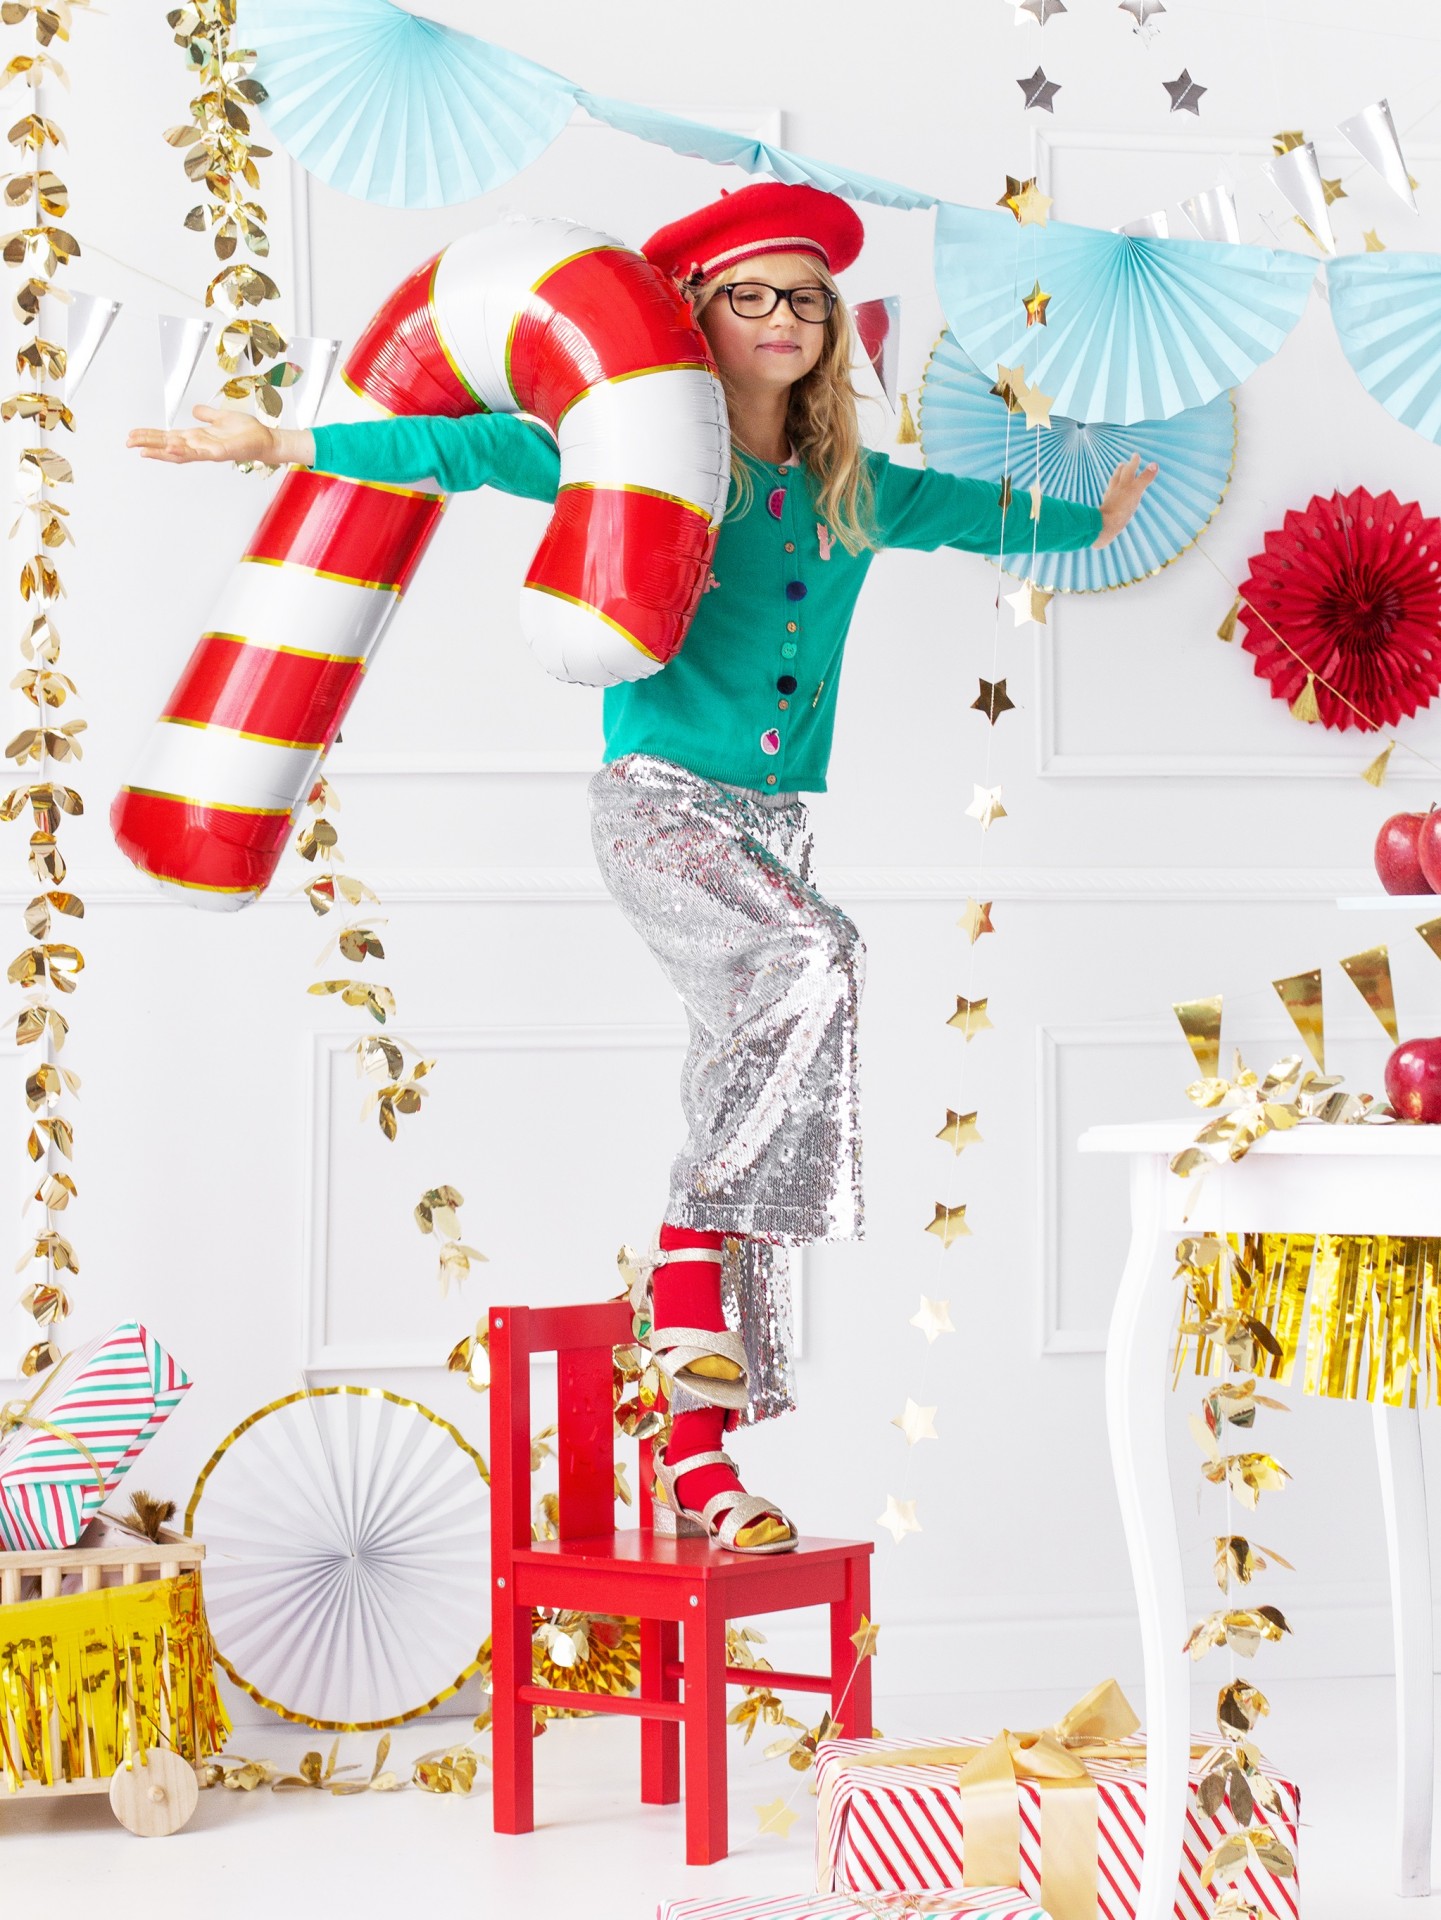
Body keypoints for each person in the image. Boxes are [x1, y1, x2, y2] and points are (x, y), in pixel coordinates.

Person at [129, 182, 1156, 1555]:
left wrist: (1087, 524)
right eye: (752, 294)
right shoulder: (638, 462)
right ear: (696, 320)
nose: (783, 317)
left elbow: (976, 517)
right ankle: (684, 1295)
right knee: (815, 965)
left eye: (805, 298)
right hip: (660, 808)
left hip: (776, 823)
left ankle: (699, 1457)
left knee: (766, 1086)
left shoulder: (852, 489)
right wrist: (284, 436)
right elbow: (467, 448)